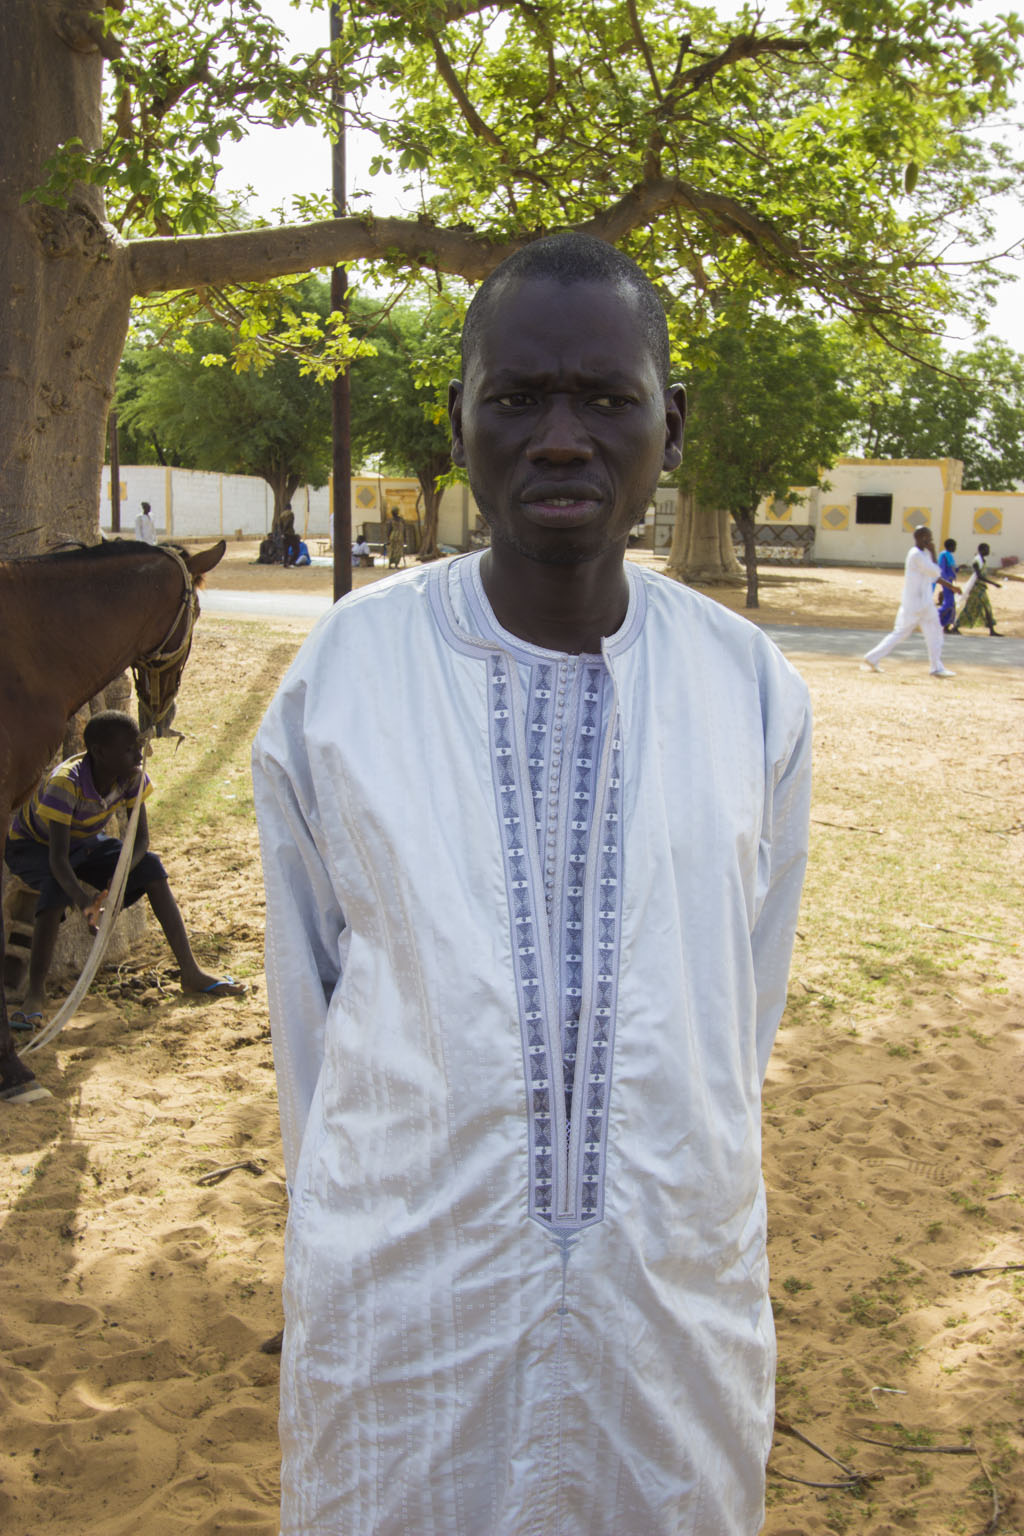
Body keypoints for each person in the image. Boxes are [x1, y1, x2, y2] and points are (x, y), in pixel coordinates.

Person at [252, 233, 812, 1536]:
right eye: (517, 398)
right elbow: (307, 1014)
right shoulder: (344, 681)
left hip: (670, 1300)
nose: (562, 438)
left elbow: (739, 1008)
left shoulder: (750, 692)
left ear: (669, 425)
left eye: (606, 400)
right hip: (408, 1308)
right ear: (458, 424)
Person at [4, 711, 244, 1025]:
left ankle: (191, 972)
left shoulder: (131, 776)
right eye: (129, 748)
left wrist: (118, 879)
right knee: (53, 886)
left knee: (152, 868)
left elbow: (140, 840)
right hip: (33, 846)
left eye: (137, 746)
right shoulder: (67, 783)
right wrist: (85, 902)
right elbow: (58, 859)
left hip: (85, 842)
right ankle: (35, 994)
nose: (138, 754)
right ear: (99, 752)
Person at [863, 525, 960, 677]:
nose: (932, 541)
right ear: (923, 538)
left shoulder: (921, 554)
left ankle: (872, 657)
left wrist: (951, 587)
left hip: (916, 603)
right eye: (930, 537)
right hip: (920, 604)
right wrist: (934, 551)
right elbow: (935, 570)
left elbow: (933, 576)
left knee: (901, 633)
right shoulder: (917, 555)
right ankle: (936, 667)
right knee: (934, 633)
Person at [957, 541, 1002, 635]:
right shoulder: (976, 561)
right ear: (981, 550)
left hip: (981, 588)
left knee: (985, 608)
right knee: (973, 608)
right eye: (986, 549)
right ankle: (955, 627)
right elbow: (979, 576)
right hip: (977, 589)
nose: (988, 551)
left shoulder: (982, 561)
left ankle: (992, 631)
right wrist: (994, 583)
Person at [937, 537, 959, 632]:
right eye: (954, 546)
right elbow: (941, 570)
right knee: (948, 603)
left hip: (950, 582)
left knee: (951, 603)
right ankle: (935, 619)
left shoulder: (949, 556)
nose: (955, 548)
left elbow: (953, 569)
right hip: (947, 582)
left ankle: (946, 626)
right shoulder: (944, 555)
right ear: (950, 546)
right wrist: (947, 582)